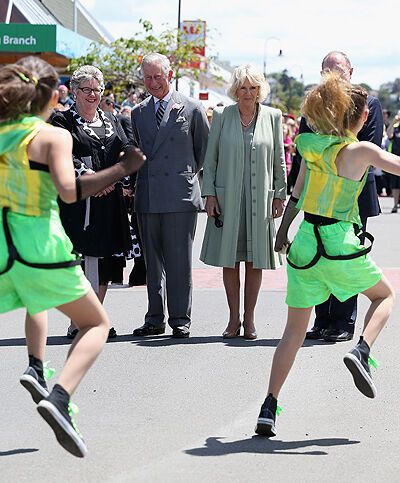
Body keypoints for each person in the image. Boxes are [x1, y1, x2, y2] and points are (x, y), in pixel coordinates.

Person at [0, 56, 144, 456]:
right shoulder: (51, 136)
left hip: (1, 249)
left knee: (35, 300)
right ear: (50, 95)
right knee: (95, 323)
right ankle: (60, 397)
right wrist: (122, 169)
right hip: (39, 246)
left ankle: (35, 364)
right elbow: (69, 190)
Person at [255, 72, 399, 438]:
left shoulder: (309, 146)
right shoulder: (361, 151)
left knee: (293, 332)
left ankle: (269, 407)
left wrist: (283, 231)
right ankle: (362, 350)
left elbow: (297, 193)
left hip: (305, 241)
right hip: (339, 243)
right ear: (359, 117)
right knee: (384, 295)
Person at [52, 65, 138, 339]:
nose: (92, 94)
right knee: (78, 262)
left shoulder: (113, 120)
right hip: (78, 202)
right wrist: (89, 175)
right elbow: (60, 153)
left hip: (109, 201)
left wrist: (118, 175)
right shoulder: (61, 121)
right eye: (86, 89)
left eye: (97, 89)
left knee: (105, 263)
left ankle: (92, 319)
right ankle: (81, 320)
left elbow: (125, 148)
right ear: (75, 92)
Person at [200, 65, 286, 339]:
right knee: (229, 260)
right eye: (243, 87)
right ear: (235, 90)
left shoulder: (273, 116)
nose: (248, 93)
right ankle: (232, 318)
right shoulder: (223, 115)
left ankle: (249, 319)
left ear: (260, 90)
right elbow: (210, 159)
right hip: (227, 198)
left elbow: (279, 160)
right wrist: (209, 194)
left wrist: (280, 194)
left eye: (253, 88)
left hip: (260, 199)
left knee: (255, 260)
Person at [303, 51, 383, 343]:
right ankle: (322, 319)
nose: (334, 76)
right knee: (319, 257)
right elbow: (305, 146)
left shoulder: (368, 103)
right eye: (328, 70)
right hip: (319, 195)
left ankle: (343, 322)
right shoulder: (315, 103)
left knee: (346, 257)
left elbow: (369, 146)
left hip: (353, 195)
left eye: (339, 71)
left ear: (351, 71)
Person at [131, 52, 209, 338]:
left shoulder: (192, 107)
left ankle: (180, 318)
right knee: (152, 263)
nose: (153, 83)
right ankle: (154, 318)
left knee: (179, 261)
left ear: (170, 75)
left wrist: (184, 176)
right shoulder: (138, 112)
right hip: (149, 195)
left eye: (158, 77)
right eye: (148, 78)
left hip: (180, 195)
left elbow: (203, 151)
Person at [386, 111, 400, 212]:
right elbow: (389, 134)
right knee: (395, 184)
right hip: (396, 159)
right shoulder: (396, 128)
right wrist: (394, 121)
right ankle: (395, 205)